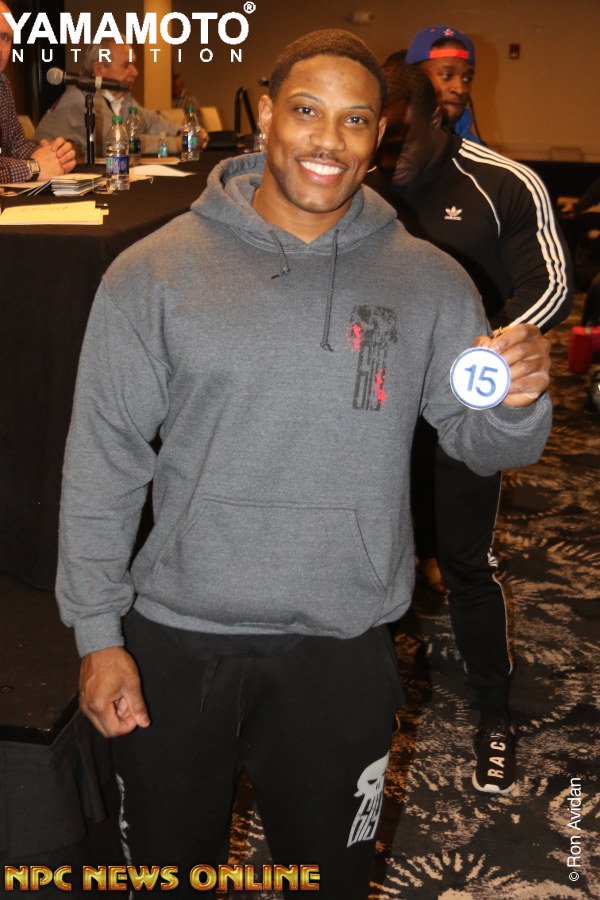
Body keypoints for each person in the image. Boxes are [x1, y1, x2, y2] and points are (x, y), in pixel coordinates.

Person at [56, 29, 552, 897]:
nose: (329, 139)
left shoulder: (430, 282)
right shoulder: (153, 274)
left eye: (355, 120)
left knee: (329, 882)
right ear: (266, 119)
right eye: (306, 111)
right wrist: (98, 635)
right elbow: (104, 458)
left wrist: (517, 400)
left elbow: (481, 442)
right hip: (179, 642)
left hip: (341, 644)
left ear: (378, 137)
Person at [366, 62, 570, 795]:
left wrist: (487, 350)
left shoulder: (503, 182)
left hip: (464, 403)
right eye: (378, 138)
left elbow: (550, 286)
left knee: (465, 563)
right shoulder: (359, 179)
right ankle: (366, 709)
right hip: (378, 403)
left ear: (439, 119)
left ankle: (493, 710)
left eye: (400, 139)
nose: (387, 157)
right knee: (370, 556)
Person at [34, 38, 206, 159]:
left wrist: (185, 132)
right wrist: (177, 143)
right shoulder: (79, 98)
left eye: (133, 64)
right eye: (126, 65)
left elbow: (148, 120)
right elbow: (115, 142)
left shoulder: (120, 96)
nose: (135, 72)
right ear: (99, 69)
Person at [0, 1, 75, 183]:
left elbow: (17, 146)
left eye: (5, 37)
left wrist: (54, 155)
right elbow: (30, 165)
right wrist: (33, 167)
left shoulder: (2, 86)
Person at [405, 25, 483, 144]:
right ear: (413, 78)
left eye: (467, 79)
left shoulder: (475, 152)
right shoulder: (383, 142)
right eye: (446, 75)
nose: (460, 89)